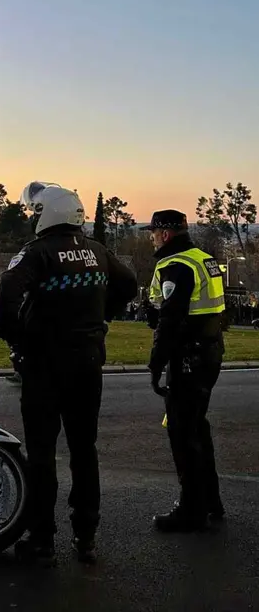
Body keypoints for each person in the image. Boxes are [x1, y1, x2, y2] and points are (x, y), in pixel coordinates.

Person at [0, 181, 137, 566]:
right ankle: (86, 536)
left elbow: (6, 298)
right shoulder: (97, 251)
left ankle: (42, 541)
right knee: (83, 450)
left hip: (45, 365)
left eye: (35, 211)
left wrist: (18, 340)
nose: (32, 217)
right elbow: (131, 285)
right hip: (89, 363)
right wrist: (101, 317)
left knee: (42, 454)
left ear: (48, 213)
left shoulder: (36, 253)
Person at [141, 210, 226, 532]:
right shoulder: (202, 258)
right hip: (209, 349)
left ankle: (192, 509)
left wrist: (155, 362)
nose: (151, 237)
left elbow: (172, 318)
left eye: (153, 232)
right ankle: (210, 500)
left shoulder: (176, 264)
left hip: (188, 356)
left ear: (165, 233)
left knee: (182, 432)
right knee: (197, 427)